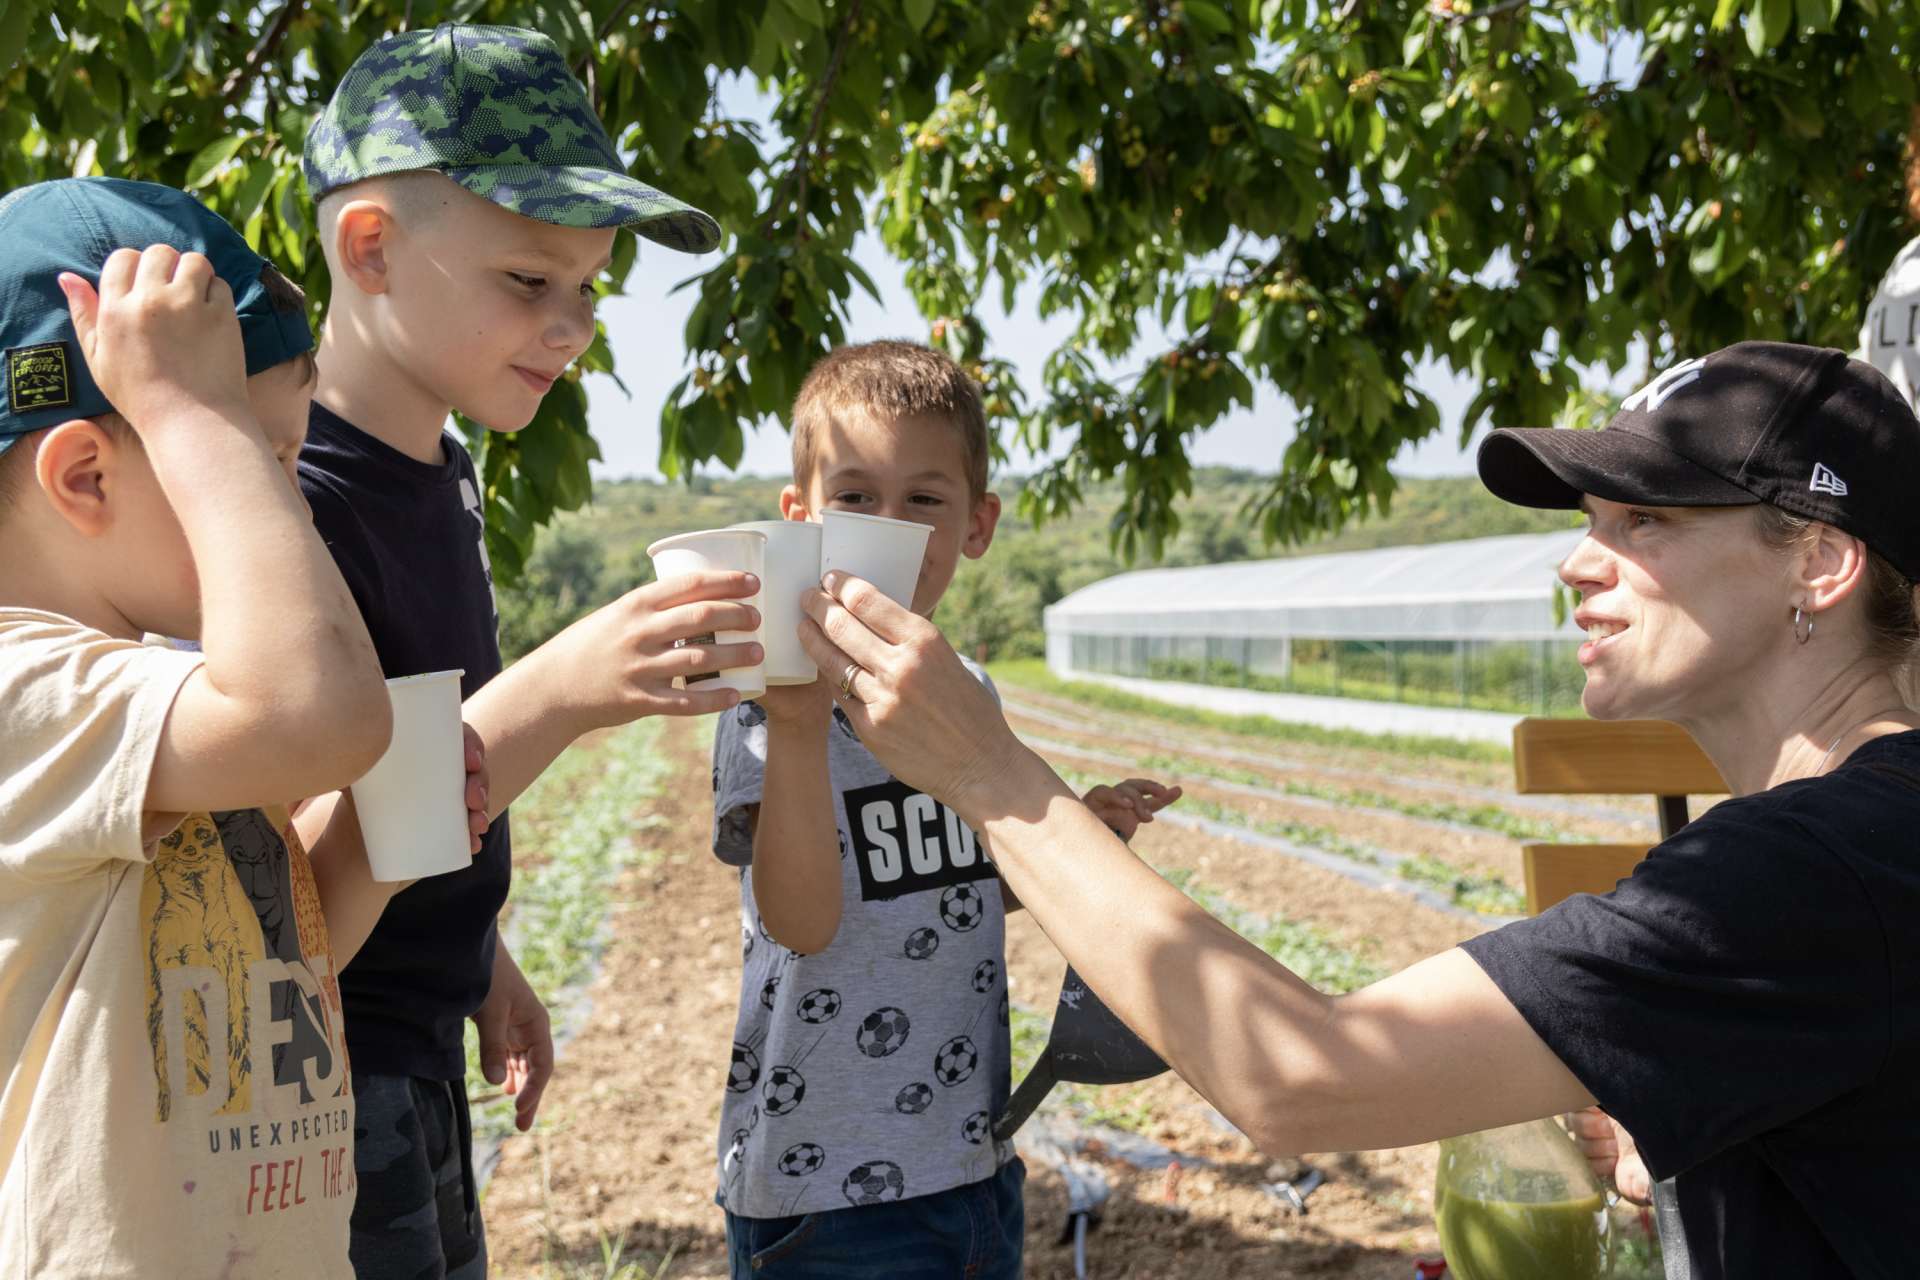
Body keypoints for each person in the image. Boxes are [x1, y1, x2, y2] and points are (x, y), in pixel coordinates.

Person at [795, 340, 1920, 1278]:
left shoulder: (1805, 868)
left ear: (1818, 560)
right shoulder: (1867, 838)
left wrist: (991, 774)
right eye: (1592, 518)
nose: (1580, 562)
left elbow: (1301, 1071)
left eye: (1645, 522)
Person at [298, 25, 760, 1277]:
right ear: (371, 247)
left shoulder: (442, 473)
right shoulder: (285, 507)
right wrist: (560, 691)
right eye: (527, 281)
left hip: (417, 1043)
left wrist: (482, 957)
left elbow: (408, 752)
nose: (574, 326)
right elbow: (288, 890)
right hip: (322, 1083)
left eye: (591, 288)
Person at [0, 179, 471, 1276]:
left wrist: (368, 850)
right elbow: (315, 710)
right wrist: (186, 406)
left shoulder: (170, 698)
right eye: (261, 459)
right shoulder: (26, 697)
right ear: (84, 475)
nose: (290, 509)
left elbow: (265, 957)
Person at [708, 340, 1178, 1278]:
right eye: (855, 498)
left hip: (971, 1159)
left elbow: (955, 886)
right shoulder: (767, 701)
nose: (891, 526)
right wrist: (801, 727)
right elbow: (798, 924)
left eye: (924, 500)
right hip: (826, 1190)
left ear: (976, 523)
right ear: (798, 519)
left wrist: (1076, 828)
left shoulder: (967, 695)